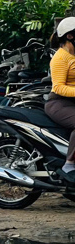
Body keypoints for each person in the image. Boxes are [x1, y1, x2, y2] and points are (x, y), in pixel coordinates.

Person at [46, 17, 75, 185]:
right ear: (70, 36)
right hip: (59, 103)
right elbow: (58, 87)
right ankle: (69, 165)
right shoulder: (60, 58)